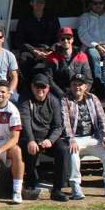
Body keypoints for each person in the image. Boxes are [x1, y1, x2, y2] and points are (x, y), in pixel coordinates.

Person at [62, 74, 105, 200]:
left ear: (86, 86)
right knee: (72, 152)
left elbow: (102, 118)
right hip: (75, 138)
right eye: (74, 84)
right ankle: (75, 186)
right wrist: (71, 139)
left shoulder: (93, 98)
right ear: (70, 86)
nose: (77, 87)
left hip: (93, 137)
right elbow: (65, 121)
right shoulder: (65, 99)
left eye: (80, 84)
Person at [19, 74, 70, 202]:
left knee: (63, 149)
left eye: (43, 87)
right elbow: (25, 122)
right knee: (27, 147)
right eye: (37, 86)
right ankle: (31, 181)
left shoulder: (54, 101)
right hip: (32, 137)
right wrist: (31, 139)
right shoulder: (25, 101)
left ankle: (58, 188)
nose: (40, 90)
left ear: (48, 88)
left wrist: (50, 140)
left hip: (48, 138)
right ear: (32, 87)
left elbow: (58, 126)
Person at [12, 0, 61, 81]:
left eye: (42, 2)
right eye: (37, 1)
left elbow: (58, 37)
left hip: (49, 50)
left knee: (57, 60)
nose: (39, 4)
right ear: (31, 3)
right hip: (31, 50)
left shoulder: (52, 18)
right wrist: (34, 51)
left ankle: (52, 86)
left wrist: (50, 51)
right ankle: (29, 86)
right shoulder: (24, 19)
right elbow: (19, 40)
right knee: (24, 59)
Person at [77, 0, 105, 84]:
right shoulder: (85, 17)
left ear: (104, 4)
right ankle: (98, 82)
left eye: (100, 3)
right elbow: (83, 34)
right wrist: (96, 46)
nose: (98, 5)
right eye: (95, 3)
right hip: (91, 46)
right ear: (91, 5)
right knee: (93, 55)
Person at [42, 27, 92, 99]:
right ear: (59, 41)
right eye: (62, 39)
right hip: (59, 95)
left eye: (68, 38)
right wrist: (61, 94)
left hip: (79, 93)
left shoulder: (82, 56)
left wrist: (81, 93)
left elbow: (88, 79)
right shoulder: (51, 57)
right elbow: (49, 79)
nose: (65, 41)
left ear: (72, 39)